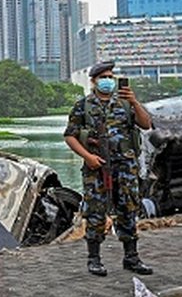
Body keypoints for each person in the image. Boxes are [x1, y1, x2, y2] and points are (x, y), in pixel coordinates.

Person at [64, 61, 154, 277]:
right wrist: (88, 157)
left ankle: (131, 258)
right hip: (97, 167)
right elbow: (70, 136)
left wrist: (135, 102)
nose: (108, 81)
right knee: (95, 212)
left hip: (125, 167)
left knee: (128, 210)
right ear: (94, 81)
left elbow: (146, 124)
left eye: (111, 77)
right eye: (103, 77)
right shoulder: (82, 106)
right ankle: (94, 259)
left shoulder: (124, 103)